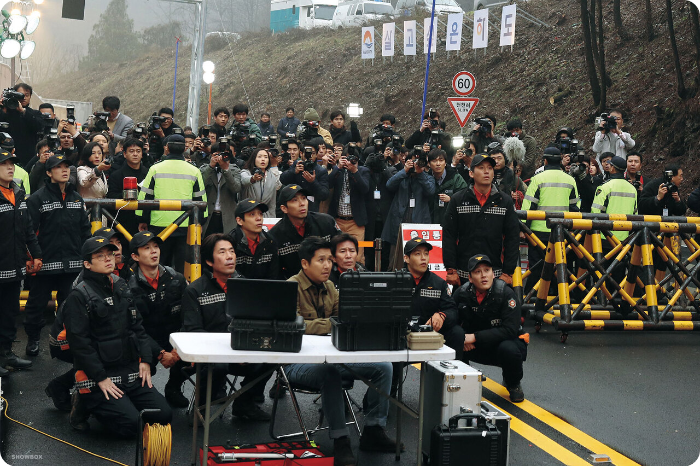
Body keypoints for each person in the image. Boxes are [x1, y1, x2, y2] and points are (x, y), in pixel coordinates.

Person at [285, 237, 399, 466]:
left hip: (332, 357)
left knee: (385, 367)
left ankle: (373, 431)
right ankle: (340, 439)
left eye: (329, 259)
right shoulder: (291, 287)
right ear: (305, 264)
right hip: (297, 364)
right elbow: (294, 327)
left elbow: (344, 318)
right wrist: (331, 324)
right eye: (321, 260)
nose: (328, 265)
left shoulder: (330, 287)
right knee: (330, 374)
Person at [62, 236, 172, 435]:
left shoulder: (121, 284)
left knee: (163, 416)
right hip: (99, 376)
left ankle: (121, 405)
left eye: (111, 254)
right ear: (87, 264)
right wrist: (101, 378)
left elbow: (138, 326)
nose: (108, 259)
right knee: (131, 426)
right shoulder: (78, 296)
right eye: (100, 256)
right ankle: (84, 403)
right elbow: (80, 344)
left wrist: (146, 360)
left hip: (129, 370)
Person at [181, 233, 272, 420]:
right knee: (218, 365)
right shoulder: (194, 290)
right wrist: (229, 352)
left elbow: (257, 324)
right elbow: (193, 332)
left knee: (272, 358)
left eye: (231, 251)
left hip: (242, 350)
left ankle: (245, 403)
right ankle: (202, 407)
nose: (230, 256)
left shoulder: (245, 285)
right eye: (222, 252)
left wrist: (245, 350)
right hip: (210, 355)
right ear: (209, 260)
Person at [25, 154, 91, 356]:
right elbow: (29, 232)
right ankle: (33, 339)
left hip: (72, 264)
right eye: (59, 167)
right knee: (36, 305)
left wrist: (87, 256)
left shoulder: (76, 198)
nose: (64, 170)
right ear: (48, 172)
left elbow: (85, 230)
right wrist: (34, 256)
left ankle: (66, 339)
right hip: (44, 263)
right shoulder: (37, 198)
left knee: (71, 305)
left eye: (67, 167)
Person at [452, 254, 528, 403]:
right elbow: (451, 321)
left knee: (510, 350)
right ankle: (466, 378)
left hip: (501, 345)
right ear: (470, 277)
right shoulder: (461, 294)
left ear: (493, 274)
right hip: (473, 347)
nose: (483, 275)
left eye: (487, 270)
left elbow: (510, 330)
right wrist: (461, 338)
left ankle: (513, 383)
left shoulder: (506, 293)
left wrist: (473, 337)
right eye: (478, 272)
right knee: (453, 338)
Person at [128, 231, 189, 408]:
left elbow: (189, 316)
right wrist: (159, 353)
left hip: (173, 338)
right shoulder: (127, 286)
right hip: (144, 341)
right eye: (146, 248)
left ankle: (174, 388)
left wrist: (178, 349)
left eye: (155, 246)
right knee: (132, 368)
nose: (154, 251)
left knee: (195, 358)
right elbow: (133, 328)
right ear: (134, 256)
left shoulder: (176, 279)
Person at [442, 153, 520, 287]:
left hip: (495, 275)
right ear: (471, 173)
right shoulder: (457, 200)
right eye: (481, 168)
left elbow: (512, 237)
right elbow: (449, 235)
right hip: (464, 274)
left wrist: (507, 273)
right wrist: (451, 269)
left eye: (490, 168)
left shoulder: (504, 201)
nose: (486, 172)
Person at [137, 134, 208, 274]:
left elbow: (145, 196)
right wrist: (200, 222)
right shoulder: (194, 170)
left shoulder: (155, 168)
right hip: (185, 225)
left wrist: (142, 219)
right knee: (183, 268)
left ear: (167, 148)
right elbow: (201, 201)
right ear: (185, 149)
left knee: (159, 265)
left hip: (159, 225)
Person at [0, 150, 39, 375]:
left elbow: (27, 230)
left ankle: (6, 354)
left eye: (11, 163)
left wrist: (36, 254)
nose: (10, 167)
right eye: (3, 164)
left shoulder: (18, 192)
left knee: (10, 312)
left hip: (14, 267)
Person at [521, 147, 580, 293]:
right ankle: (559, 299)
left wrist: (523, 228)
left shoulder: (537, 179)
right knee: (558, 267)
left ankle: (533, 298)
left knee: (538, 267)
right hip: (562, 231)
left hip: (538, 233)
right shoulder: (570, 180)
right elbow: (575, 208)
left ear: (545, 160)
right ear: (560, 160)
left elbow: (529, 206)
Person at [403, 238, 465, 359]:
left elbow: (453, 311)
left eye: (426, 253)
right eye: (417, 254)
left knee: (457, 332)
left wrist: (442, 315)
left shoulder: (439, 283)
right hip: (402, 334)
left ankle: (451, 373)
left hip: (430, 334)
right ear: (406, 258)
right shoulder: (395, 280)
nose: (423, 258)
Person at [268, 184, 341, 279]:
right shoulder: (275, 235)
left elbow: (341, 250)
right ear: (284, 208)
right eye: (295, 200)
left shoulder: (326, 222)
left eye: (304, 198)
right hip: (295, 287)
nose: (302, 203)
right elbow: (275, 272)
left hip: (329, 282)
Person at [381, 149, 436, 270]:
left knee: (417, 264)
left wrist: (420, 173)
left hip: (419, 226)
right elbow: (389, 185)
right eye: (413, 161)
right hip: (398, 226)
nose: (416, 164)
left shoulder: (427, 178)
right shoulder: (402, 176)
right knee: (395, 264)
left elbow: (430, 191)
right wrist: (405, 170)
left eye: (419, 161)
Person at [327, 145, 371, 264]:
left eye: (352, 159)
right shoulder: (338, 170)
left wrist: (354, 171)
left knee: (357, 257)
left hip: (356, 222)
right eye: (346, 158)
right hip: (338, 220)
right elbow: (328, 184)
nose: (349, 161)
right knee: (337, 255)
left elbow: (365, 189)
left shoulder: (363, 171)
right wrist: (338, 167)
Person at [227, 199, 280, 280]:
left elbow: (273, 275)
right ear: (239, 220)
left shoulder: (270, 241)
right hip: (237, 288)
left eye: (260, 214)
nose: (259, 218)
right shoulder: (230, 242)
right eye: (252, 214)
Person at [106, 138, 149, 234]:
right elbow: (111, 197)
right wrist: (126, 195)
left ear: (142, 154)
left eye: (138, 151)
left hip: (145, 219)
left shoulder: (148, 173)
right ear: (124, 154)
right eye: (131, 151)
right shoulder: (116, 175)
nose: (135, 154)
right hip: (122, 221)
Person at [591, 156, 638, 241]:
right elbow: (635, 213)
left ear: (612, 168)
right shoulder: (632, 189)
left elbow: (595, 212)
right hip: (625, 237)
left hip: (605, 236)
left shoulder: (605, 187)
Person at [200, 141, 242, 236]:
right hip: (208, 217)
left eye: (224, 154)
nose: (221, 158)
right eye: (217, 154)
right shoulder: (204, 169)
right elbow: (200, 185)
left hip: (227, 218)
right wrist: (211, 167)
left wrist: (226, 170)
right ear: (211, 155)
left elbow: (236, 188)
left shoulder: (234, 169)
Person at [0, 83, 45, 167]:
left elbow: (39, 126)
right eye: (20, 95)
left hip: (29, 157)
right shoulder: (6, 112)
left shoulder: (35, 113)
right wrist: (2, 109)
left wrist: (23, 111)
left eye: (26, 95)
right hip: (6, 156)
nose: (23, 98)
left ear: (30, 96)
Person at [279, 140, 330, 213]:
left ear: (316, 154)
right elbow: (282, 179)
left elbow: (324, 195)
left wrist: (313, 182)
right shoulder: (297, 164)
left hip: (312, 209)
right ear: (301, 153)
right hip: (293, 207)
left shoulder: (321, 171)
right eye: (307, 153)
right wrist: (294, 172)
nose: (310, 156)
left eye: (312, 153)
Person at [428, 148, 467, 225]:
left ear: (445, 162)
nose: (438, 164)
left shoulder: (455, 177)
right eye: (434, 161)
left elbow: (465, 197)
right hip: (429, 224)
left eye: (441, 160)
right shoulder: (425, 178)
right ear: (429, 164)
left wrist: (451, 199)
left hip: (450, 223)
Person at [240, 147, 281, 217]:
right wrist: (253, 178)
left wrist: (272, 218)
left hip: (265, 214)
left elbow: (272, 203)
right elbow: (244, 180)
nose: (263, 159)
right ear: (254, 159)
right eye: (259, 157)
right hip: (247, 212)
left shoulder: (272, 176)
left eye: (266, 157)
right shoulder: (246, 172)